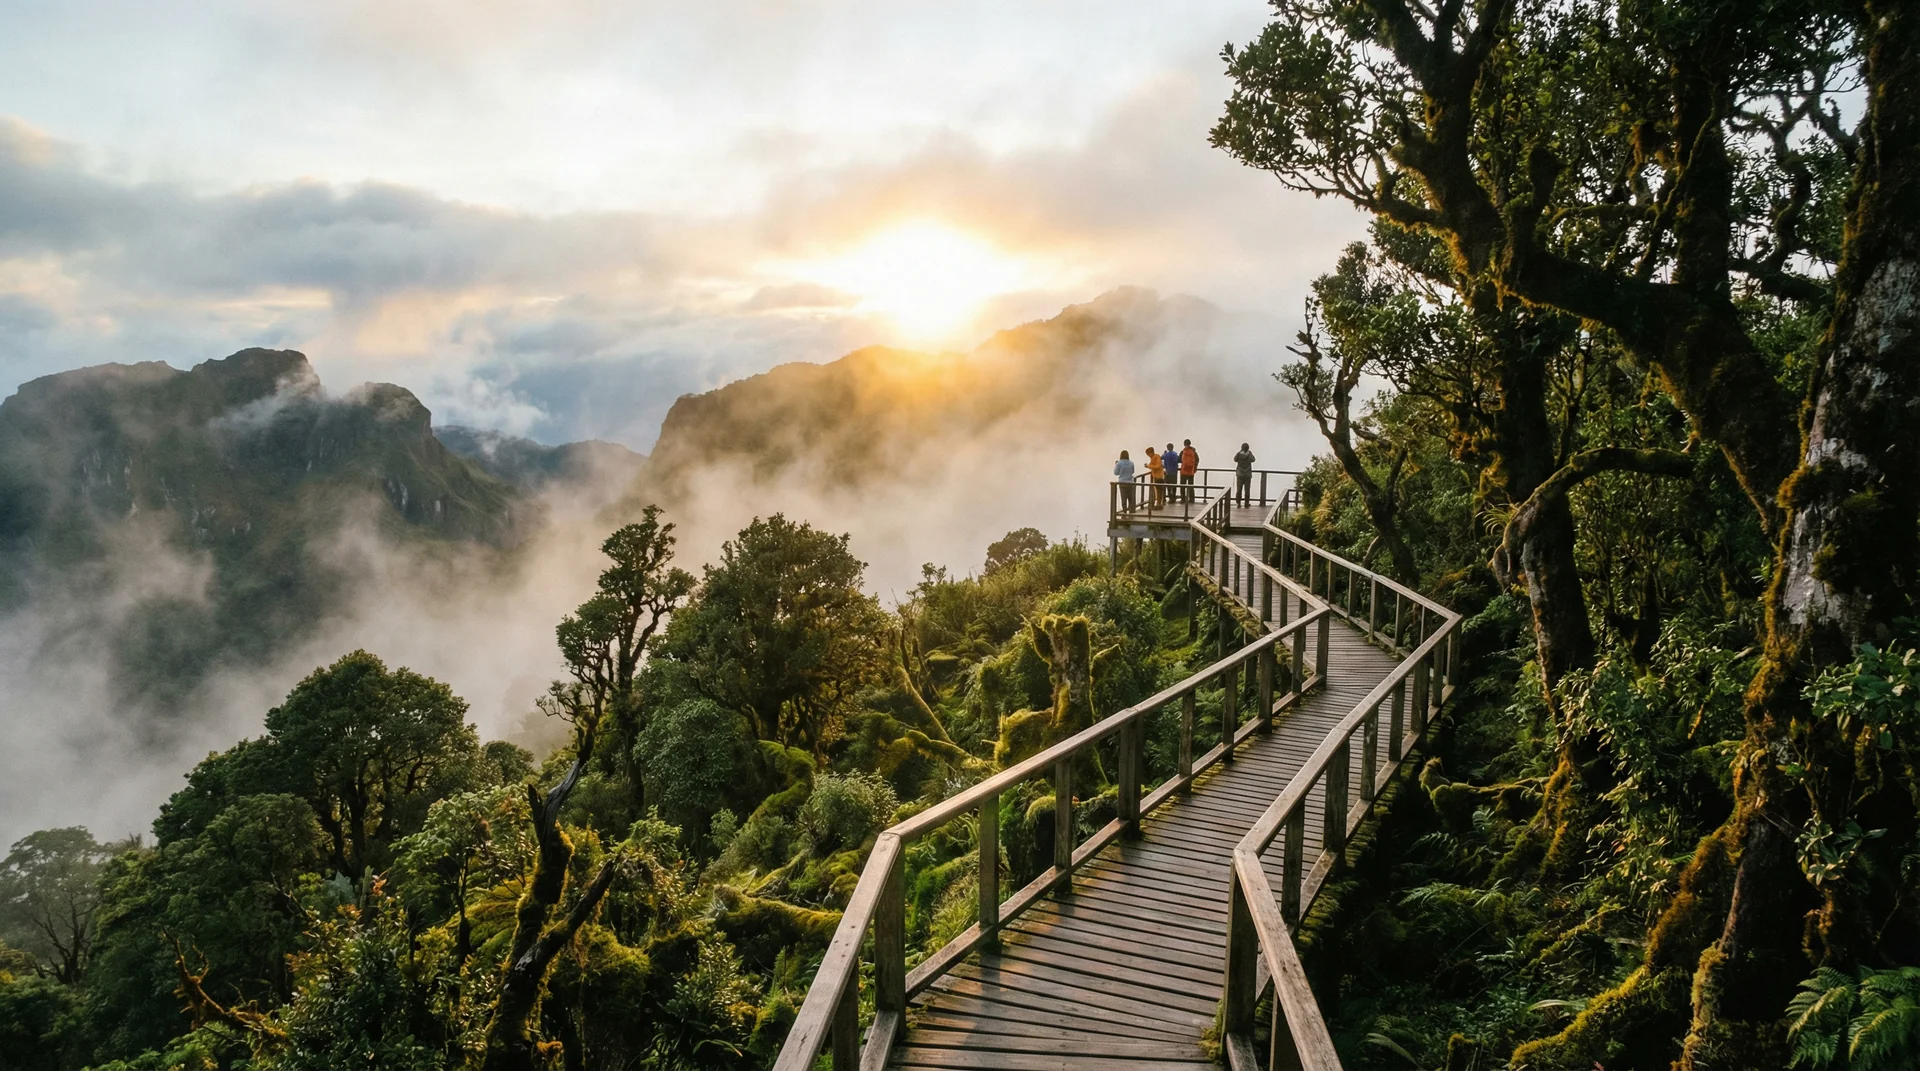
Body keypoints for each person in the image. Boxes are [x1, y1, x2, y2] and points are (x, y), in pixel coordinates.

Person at [1234, 442, 1256, 507]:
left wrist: (1239, 452)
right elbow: (1253, 459)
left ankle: (1238, 503)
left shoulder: (1239, 454)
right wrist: (1249, 453)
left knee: (1239, 490)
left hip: (1240, 475)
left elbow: (1235, 459)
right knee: (1247, 490)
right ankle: (1246, 503)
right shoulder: (1249, 454)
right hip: (1247, 475)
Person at [1160, 443, 1181, 507]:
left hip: (1168, 472)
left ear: (1167, 448)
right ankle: (1174, 497)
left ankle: (1170, 497)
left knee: (1168, 486)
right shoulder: (1175, 454)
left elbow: (1160, 458)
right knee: (1174, 485)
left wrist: (1164, 453)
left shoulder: (1165, 455)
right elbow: (1179, 460)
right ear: (1173, 447)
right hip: (1174, 472)